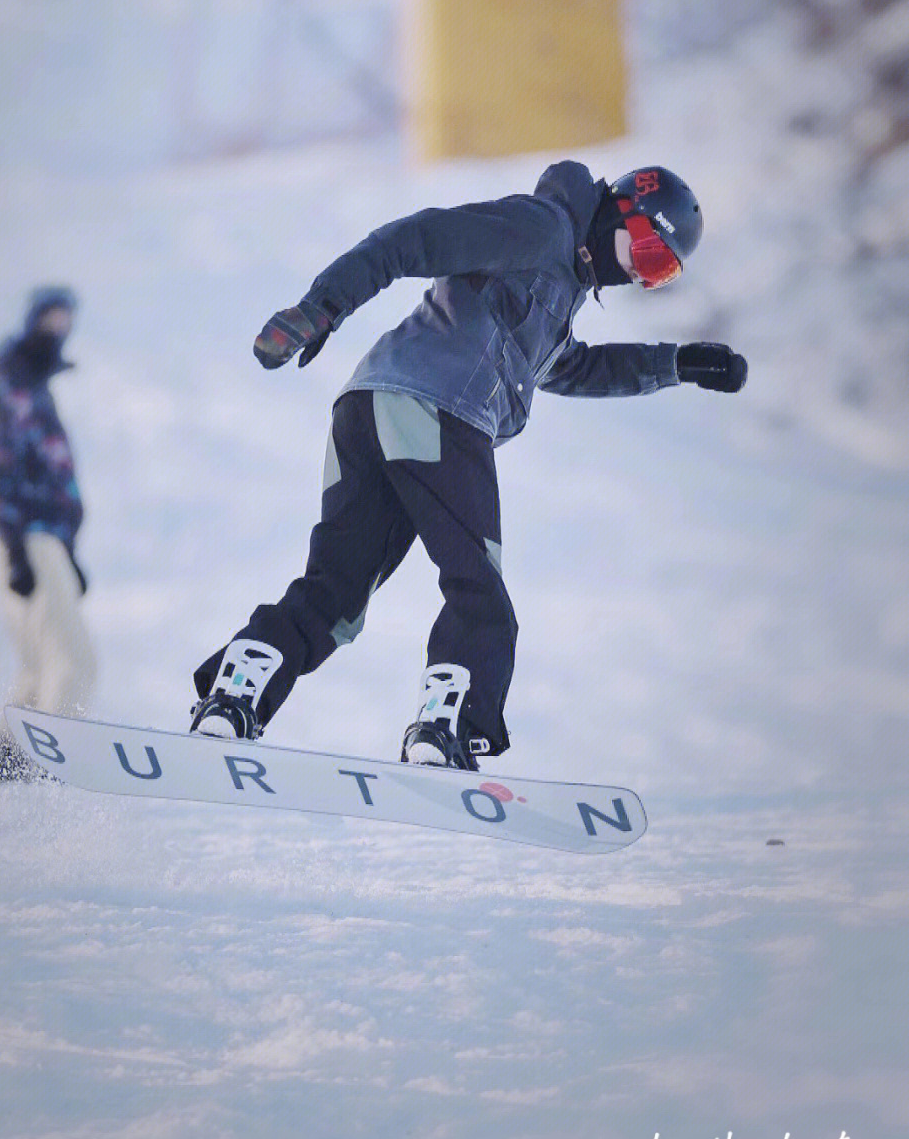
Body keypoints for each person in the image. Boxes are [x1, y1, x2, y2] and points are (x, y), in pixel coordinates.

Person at [191, 161, 747, 770]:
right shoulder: (541, 229)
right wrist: (322, 306)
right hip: (439, 411)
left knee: (335, 595)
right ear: (622, 211)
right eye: (646, 250)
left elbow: (572, 368)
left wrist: (678, 364)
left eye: (659, 272)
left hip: (369, 409)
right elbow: (413, 240)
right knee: (479, 597)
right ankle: (446, 730)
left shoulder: (560, 291)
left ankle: (235, 697)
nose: (640, 272)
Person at [0, 287, 97, 782]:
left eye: (66, 322)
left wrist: (68, 551)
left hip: (43, 540)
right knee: (73, 661)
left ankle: (5, 764)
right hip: (28, 536)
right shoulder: (14, 384)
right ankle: (50, 761)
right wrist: (16, 550)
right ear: (31, 322)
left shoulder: (32, 386)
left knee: (37, 662)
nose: (59, 331)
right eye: (50, 320)